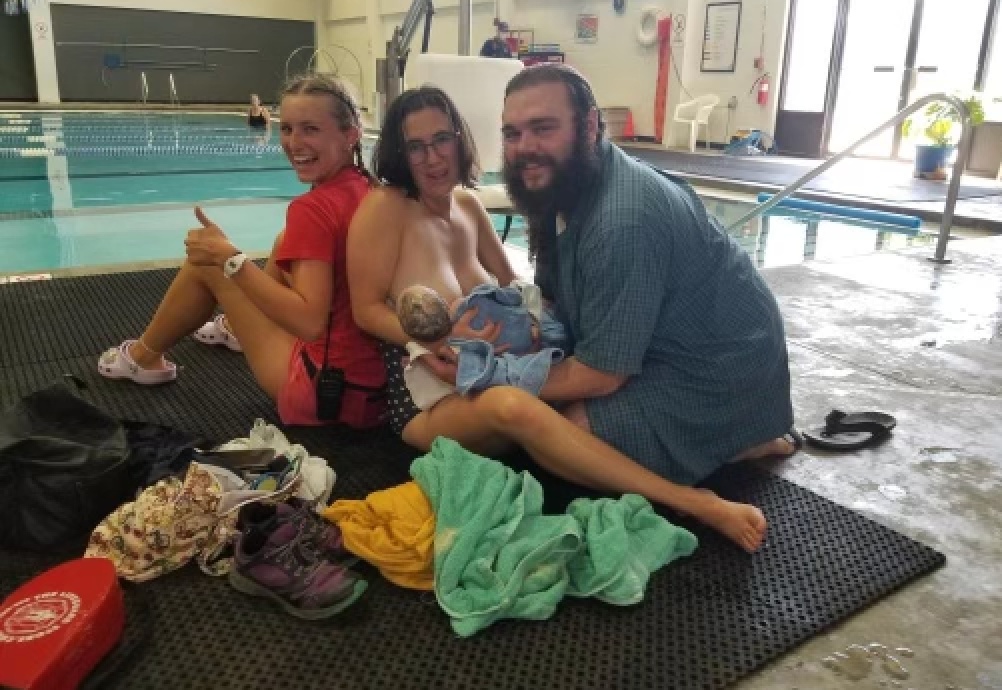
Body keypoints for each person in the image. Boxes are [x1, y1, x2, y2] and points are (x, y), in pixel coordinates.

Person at [347, 84, 788, 552]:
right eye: (415, 146)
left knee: (555, 408)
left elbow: (519, 291)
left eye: (442, 139)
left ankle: (726, 439)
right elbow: (366, 309)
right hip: (428, 392)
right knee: (518, 407)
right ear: (398, 152)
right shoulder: (386, 207)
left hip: (495, 370)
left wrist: (529, 329)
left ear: (461, 140)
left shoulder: (474, 206)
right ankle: (693, 500)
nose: (432, 158)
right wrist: (444, 348)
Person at [98, 74, 386, 429]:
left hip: (324, 394)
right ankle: (235, 325)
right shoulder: (368, 188)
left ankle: (144, 358)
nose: (294, 143)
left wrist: (229, 258)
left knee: (207, 262)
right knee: (284, 242)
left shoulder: (313, 209)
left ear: (350, 134)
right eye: (288, 129)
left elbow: (308, 323)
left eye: (310, 129)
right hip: (374, 389)